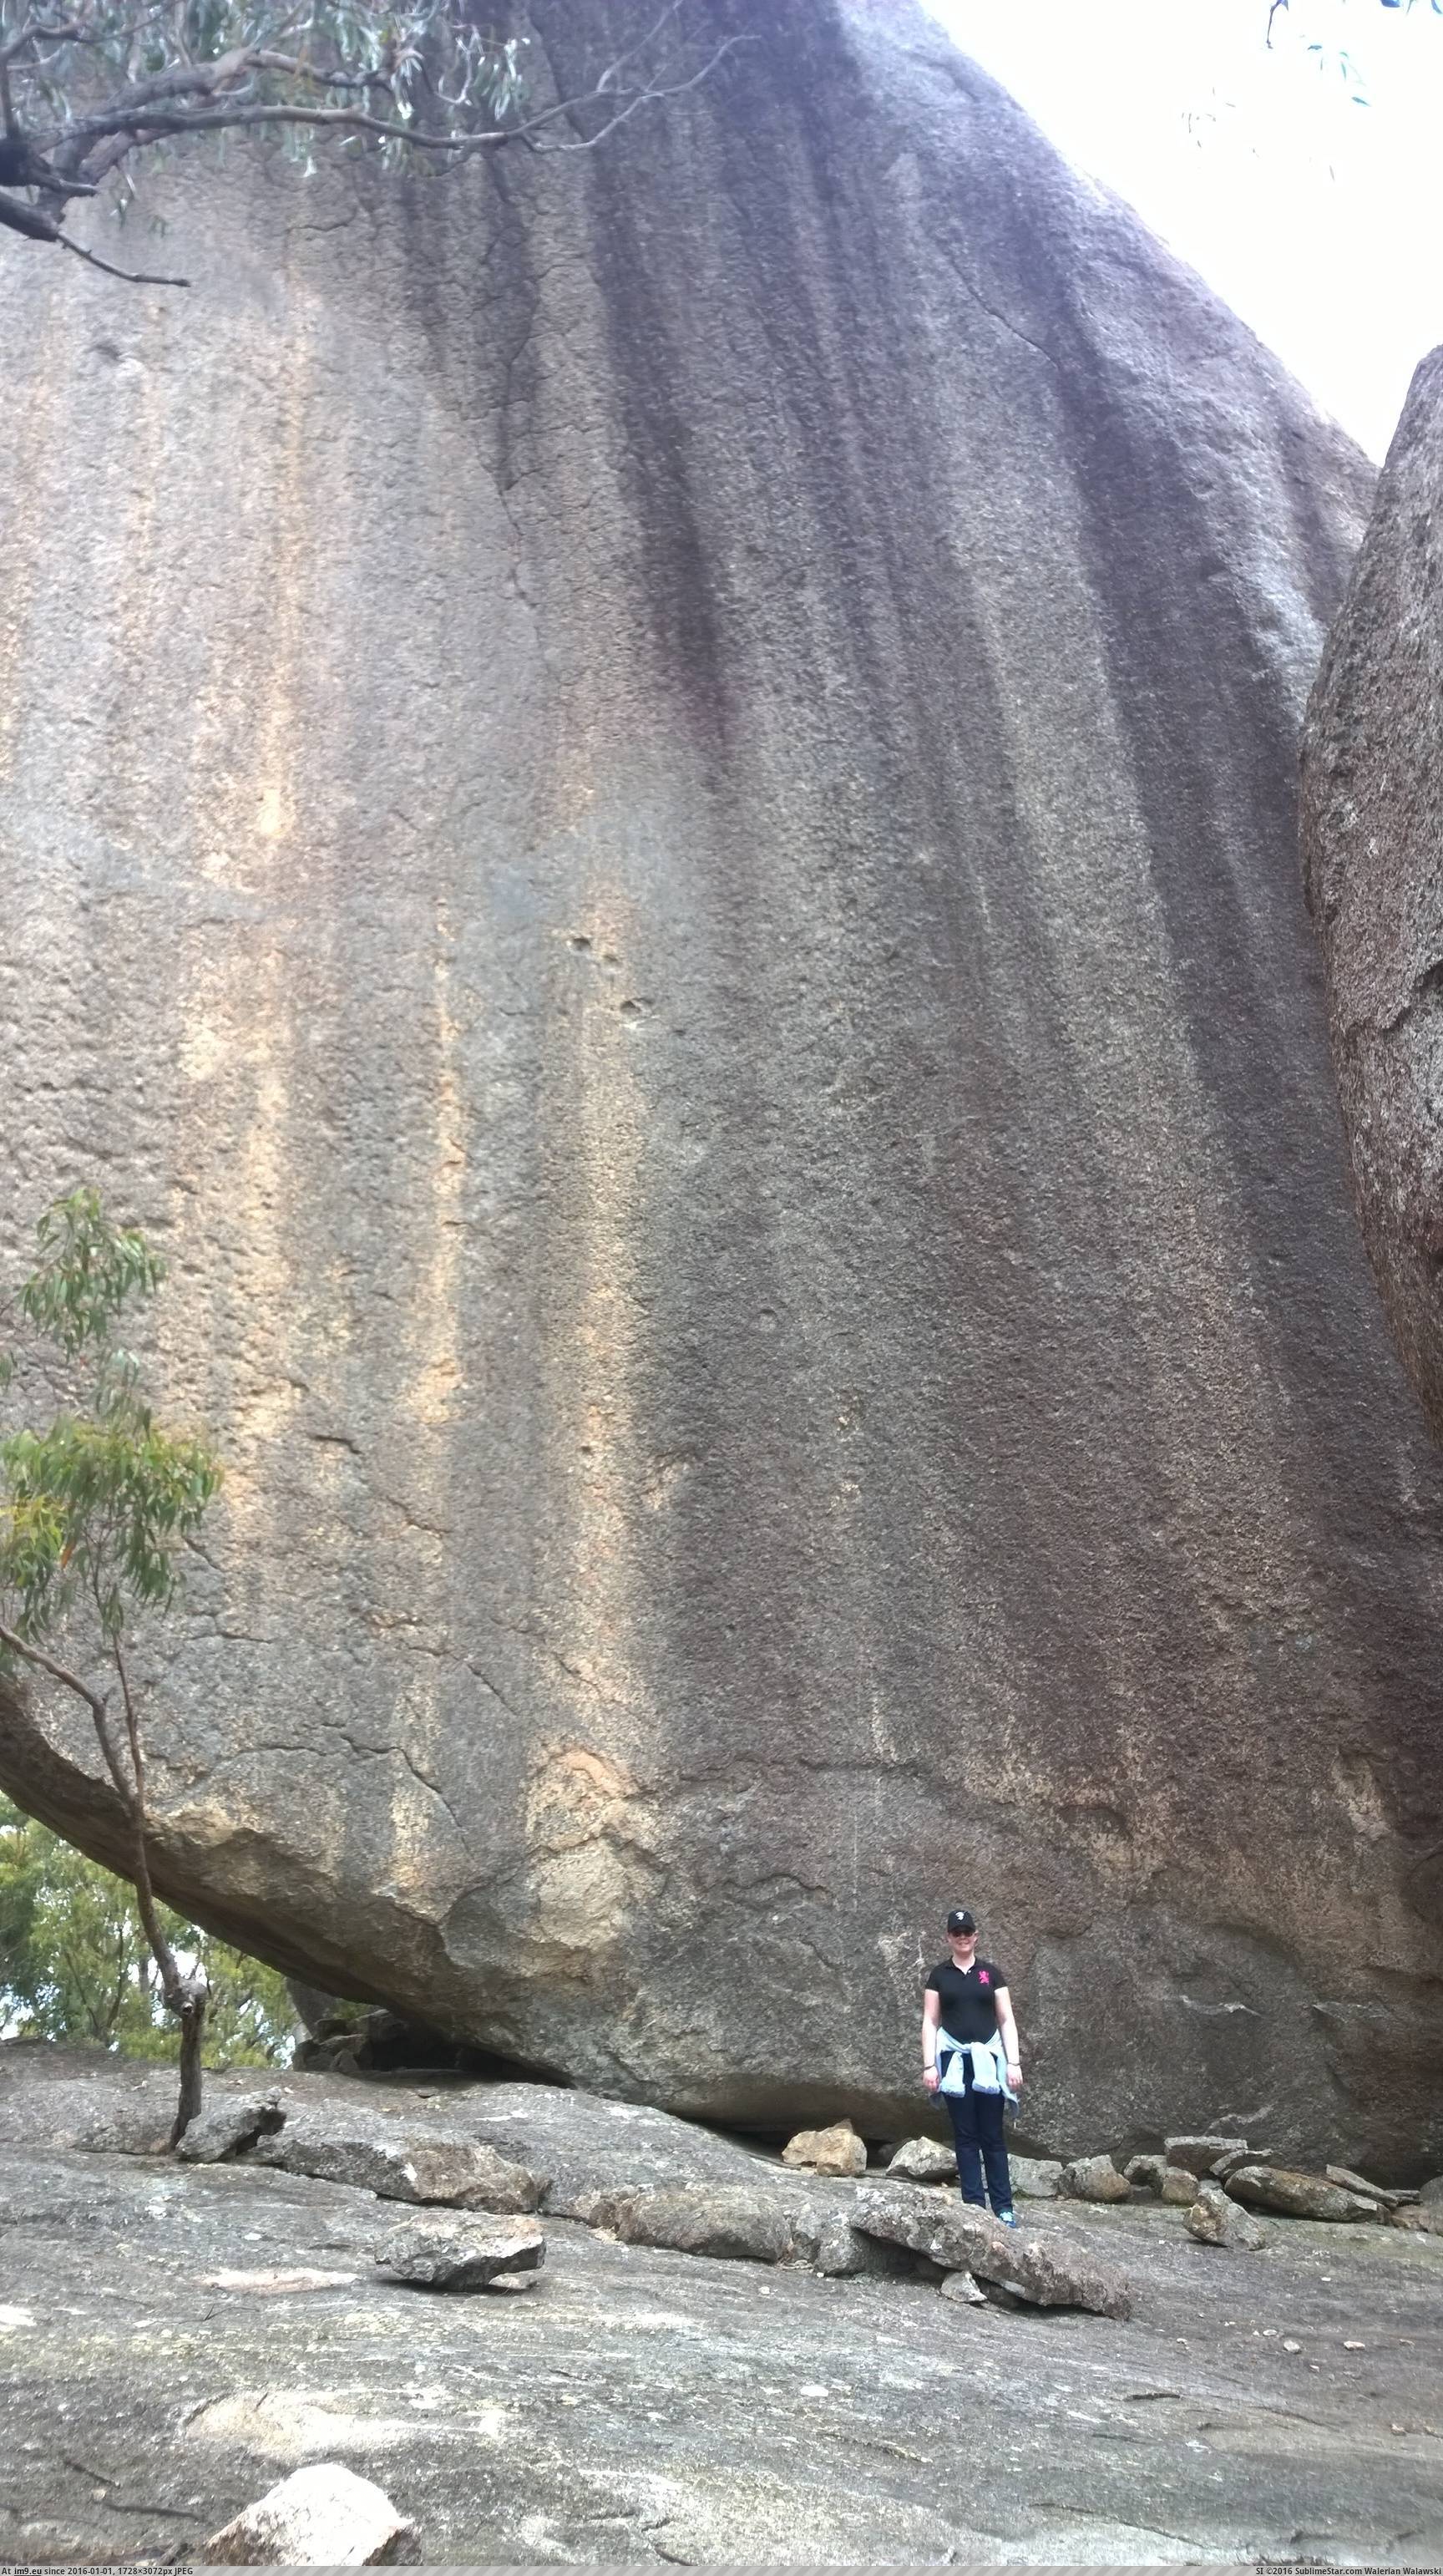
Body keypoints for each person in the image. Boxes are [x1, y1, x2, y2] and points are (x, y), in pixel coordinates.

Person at [921, 1906, 1022, 2225]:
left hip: (989, 2060)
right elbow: (930, 2021)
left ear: (975, 1936)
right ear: (948, 1938)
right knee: (965, 2135)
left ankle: (1003, 2207)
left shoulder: (991, 1973)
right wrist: (929, 2066)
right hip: (953, 2061)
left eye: (967, 1932)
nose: (962, 1937)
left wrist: (1013, 2062)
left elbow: (1006, 2019)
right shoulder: (939, 1975)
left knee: (992, 2134)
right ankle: (975, 2205)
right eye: (956, 1933)